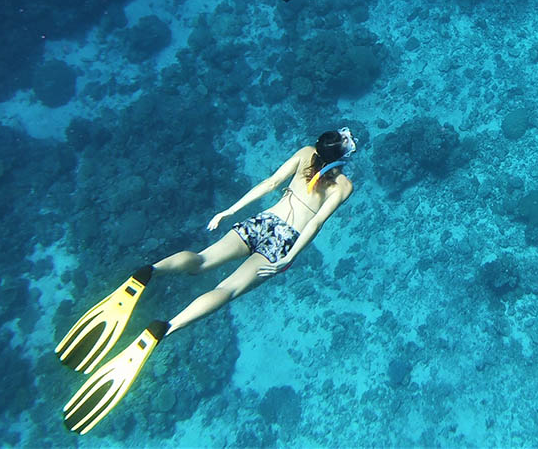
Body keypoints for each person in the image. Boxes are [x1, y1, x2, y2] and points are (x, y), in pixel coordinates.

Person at [55, 128, 357, 435]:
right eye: (347, 139)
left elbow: (270, 184)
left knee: (200, 261)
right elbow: (316, 222)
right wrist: (288, 257)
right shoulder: (344, 185)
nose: (350, 138)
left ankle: (150, 271)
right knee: (225, 290)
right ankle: (167, 327)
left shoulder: (307, 153)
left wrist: (228, 212)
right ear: (342, 155)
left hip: (263, 220)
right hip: (284, 241)